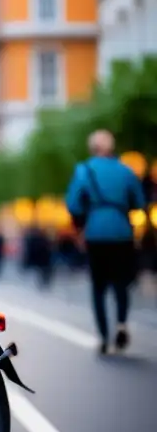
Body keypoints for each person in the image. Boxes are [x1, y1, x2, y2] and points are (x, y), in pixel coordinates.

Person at [65, 130, 146, 354]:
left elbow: (73, 204)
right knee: (121, 283)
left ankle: (103, 336)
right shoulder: (126, 171)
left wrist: (84, 221)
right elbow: (139, 202)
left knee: (98, 286)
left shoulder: (84, 170)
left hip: (95, 233)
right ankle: (121, 323)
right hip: (122, 232)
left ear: (92, 148)